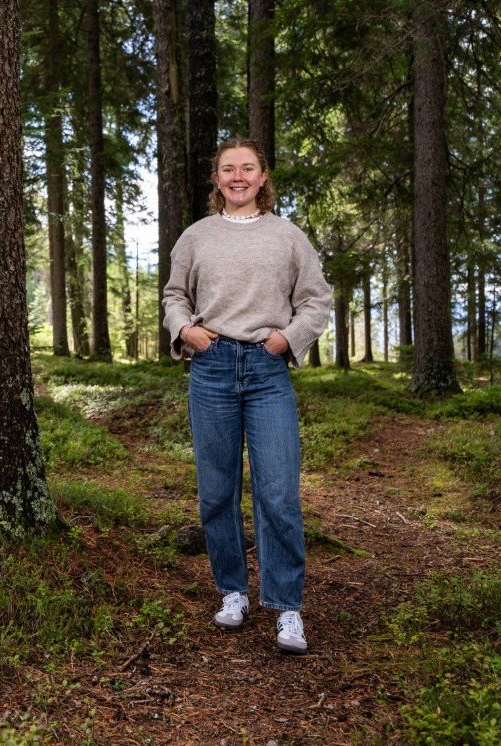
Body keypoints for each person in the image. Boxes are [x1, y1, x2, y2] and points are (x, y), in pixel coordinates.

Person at [162, 138, 332, 653]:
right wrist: (185, 331)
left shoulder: (288, 236)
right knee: (217, 492)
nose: (238, 176)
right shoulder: (196, 236)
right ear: (216, 178)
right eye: (228, 169)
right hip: (211, 368)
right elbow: (175, 295)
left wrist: (287, 339)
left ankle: (286, 607)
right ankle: (232, 592)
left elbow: (316, 300)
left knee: (277, 493)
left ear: (262, 177)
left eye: (248, 168)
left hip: (266, 369)